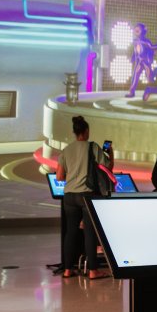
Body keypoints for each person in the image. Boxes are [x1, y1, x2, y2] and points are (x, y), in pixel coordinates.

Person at [55, 115, 113, 280]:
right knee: (90, 232)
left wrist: (73, 175)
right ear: (86, 131)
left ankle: (67, 270)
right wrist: (110, 153)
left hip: (69, 196)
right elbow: (108, 168)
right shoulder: (93, 147)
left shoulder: (66, 150)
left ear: (74, 132)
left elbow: (59, 176)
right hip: (86, 195)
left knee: (70, 233)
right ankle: (93, 271)